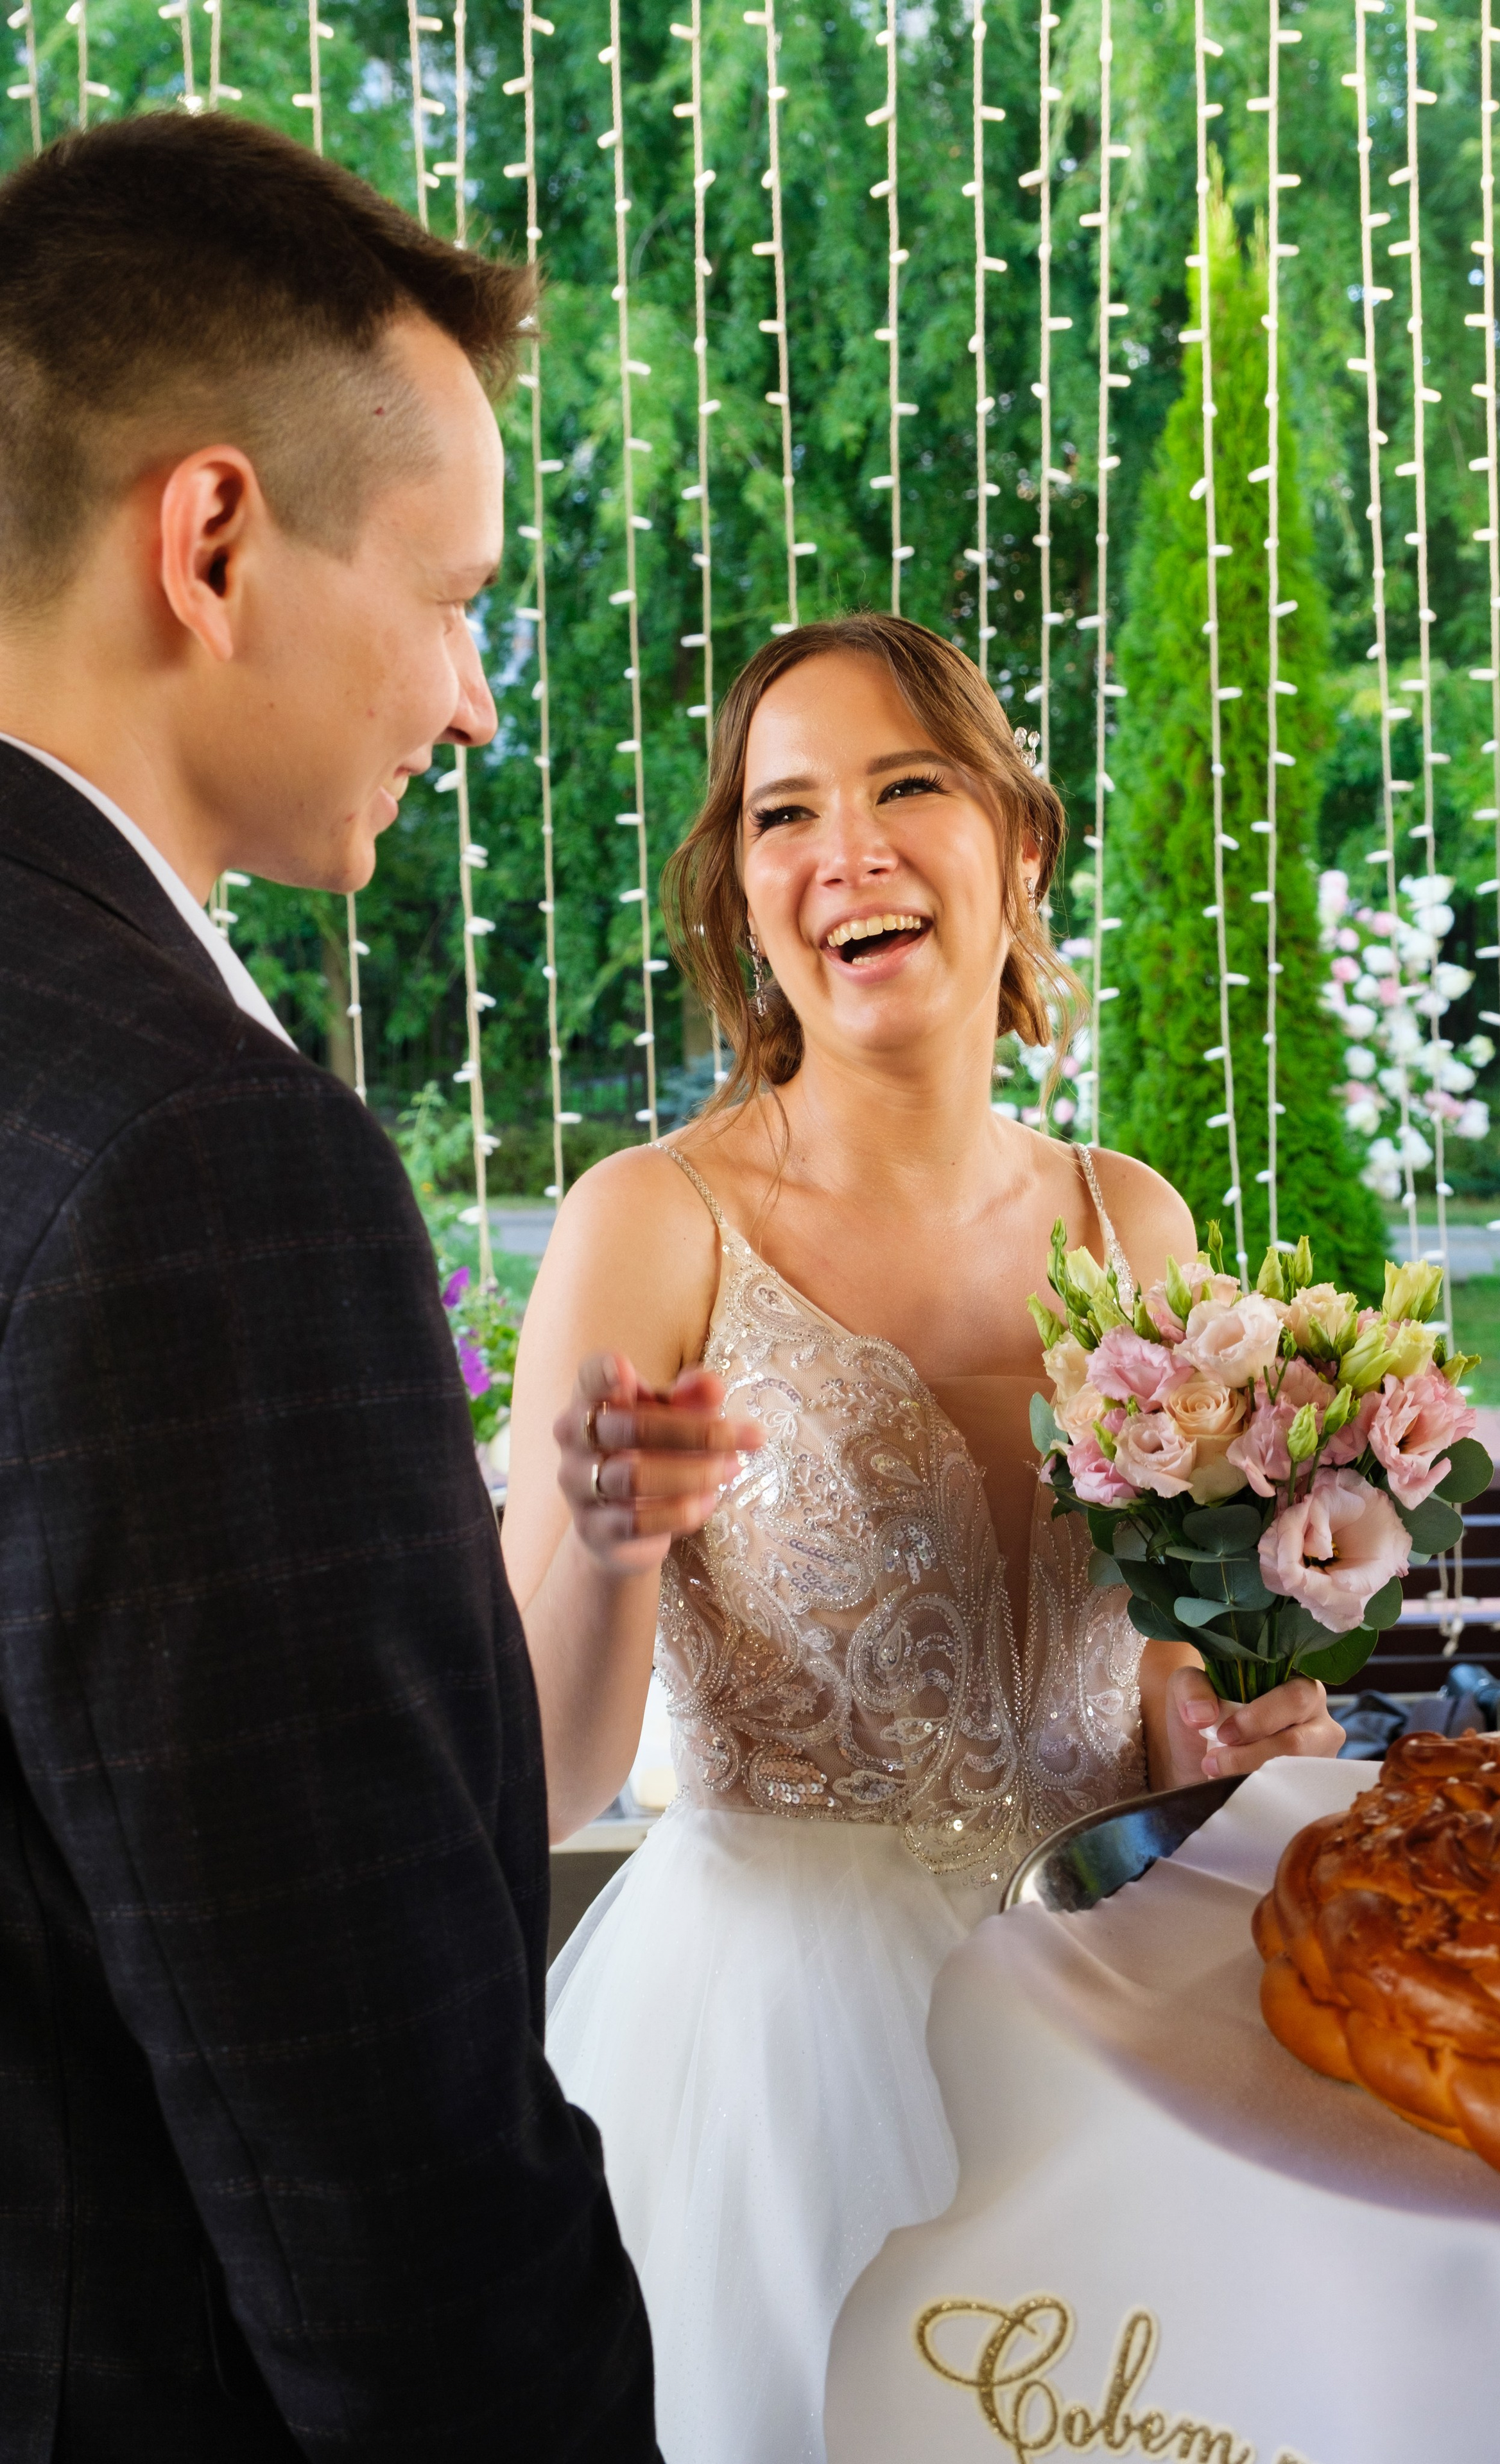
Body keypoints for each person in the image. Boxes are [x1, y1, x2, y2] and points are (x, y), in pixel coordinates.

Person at [503, 614, 1344, 2464]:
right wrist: (607, 1547)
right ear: (742, 893)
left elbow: (1163, 1664)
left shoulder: (1134, 1222)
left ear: (1017, 843)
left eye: (907, 787)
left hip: (1108, 1996)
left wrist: (1206, 1734)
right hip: (777, 2057)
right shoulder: (650, 1222)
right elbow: (537, 1783)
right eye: (785, 813)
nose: (849, 853)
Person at [0, 116, 659, 2460]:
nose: (475, 703)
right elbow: (382, 2188)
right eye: (457, 595)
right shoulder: (206, 1163)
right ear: (211, 539)